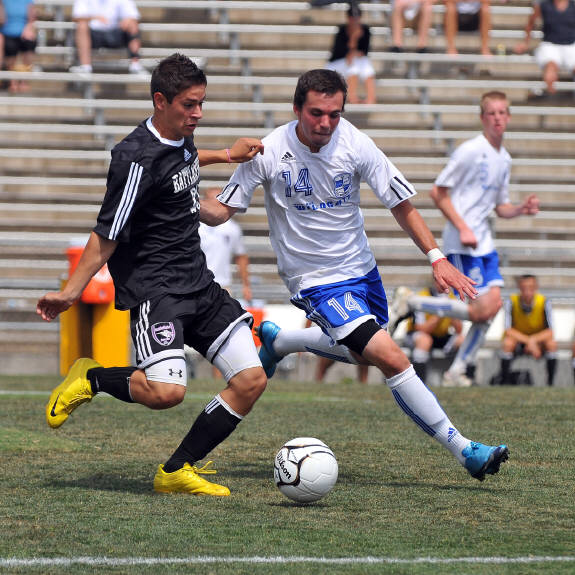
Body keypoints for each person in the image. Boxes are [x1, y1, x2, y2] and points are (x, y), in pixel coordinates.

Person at [200, 68, 510, 482]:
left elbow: (401, 204)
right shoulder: (269, 150)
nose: (326, 123)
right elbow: (221, 211)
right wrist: (184, 201)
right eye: (316, 113)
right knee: (390, 357)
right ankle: (465, 449)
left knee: (364, 353)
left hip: (362, 270)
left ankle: (281, 341)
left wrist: (436, 257)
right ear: (297, 109)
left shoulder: (355, 143)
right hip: (313, 279)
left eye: (335, 114)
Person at [37, 53, 267, 497]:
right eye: (189, 105)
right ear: (160, 101)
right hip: (157, 291)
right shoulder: (133, 159)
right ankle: (91, 378)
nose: (198, 113)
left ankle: (176, 470)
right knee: (166, 393)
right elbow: (106, 234)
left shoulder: (180, 137)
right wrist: (70, 293)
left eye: (201, 103)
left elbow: (183, 163)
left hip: (199, 284)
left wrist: (226, 156)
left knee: (251, 380)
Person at [394, 91, 540, 387]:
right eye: (492, 113)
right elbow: (438, 192)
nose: (497, 118)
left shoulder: (504, 158)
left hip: (484, 242)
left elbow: (500, 207)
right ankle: (412, 302)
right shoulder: (471, 150)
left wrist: (520, 209)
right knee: (480, 310)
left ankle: (456, 370)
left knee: (492, 307)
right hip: (462, 242)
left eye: (502, 112)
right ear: (483, 118)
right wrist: (462, 227)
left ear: (509, 117)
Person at [199, 190, 252, 379]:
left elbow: (241, 256)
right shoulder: (195, 225)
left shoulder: (232, 228)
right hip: (195, 284)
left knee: (220, 334)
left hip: (221, 286)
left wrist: (246, 285)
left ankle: (217, 379)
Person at [498, 274, 557, 386]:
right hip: (519, 340)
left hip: (538, 341)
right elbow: (508, 330)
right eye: (524, 288)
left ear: (536, 288)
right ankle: (505, 382)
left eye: (530, 287)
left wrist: (533, 341)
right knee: (507, 343)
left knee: (551, 344)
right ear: (519, 288)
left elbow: (550, 331)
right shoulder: (511, 301)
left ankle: (550, 383)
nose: (527, 291)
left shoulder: (544, 301)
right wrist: (529, 341)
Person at [402, 284, 464, 385]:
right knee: (425, 340)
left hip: (440, 335)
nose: (444, 285)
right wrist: (440, 312)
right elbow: (421, 329)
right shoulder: (422, 297)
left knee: (461, 340)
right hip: (418, 335)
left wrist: (451, 312)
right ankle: (419, 381)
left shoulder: (451, 298)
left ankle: (461, 377)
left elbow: (459, 330)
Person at [514, 0, 575, 98]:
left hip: (571, 44)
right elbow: (531, 22)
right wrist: (525, 43)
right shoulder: (544, 5)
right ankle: (552, 99)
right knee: (550, 69)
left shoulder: (573, 5)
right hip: (550, 44)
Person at [70, 0, 147, 75]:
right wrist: (96, 18)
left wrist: (127, 21)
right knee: (82, 26)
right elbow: (77, 17)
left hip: (115, 33)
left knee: (132, 24)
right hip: (93, 35)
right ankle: (85, 67)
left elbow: (133, 16)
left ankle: (135, 65)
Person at [325, 3, 376, 104]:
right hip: (336, 64)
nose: (354, 21)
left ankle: (371, 98)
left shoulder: (365, 30)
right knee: (353, 67)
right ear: (348, 18)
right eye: (352, 18)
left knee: (367, 66)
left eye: (357, 18)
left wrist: (354, 52)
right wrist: (354, 38)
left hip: (354, 60)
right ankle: (352, 97)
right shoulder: (342, 30)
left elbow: (364, 52)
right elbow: (341, 53)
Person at [0, 0, 37, 93]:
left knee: (29, 43)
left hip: (24, 32)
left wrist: (28, 28)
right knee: (10, 47)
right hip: (7, 32)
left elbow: (32, 17)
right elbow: (2, 19)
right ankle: (13, 82)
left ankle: (24, 81)